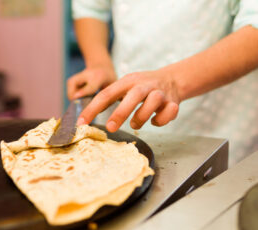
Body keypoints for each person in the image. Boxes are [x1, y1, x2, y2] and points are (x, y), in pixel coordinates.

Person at [67, 0, 258, 165]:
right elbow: (90, 8)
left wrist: (171, 82)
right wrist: (99, 63)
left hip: (216, 117)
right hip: (122, 107)